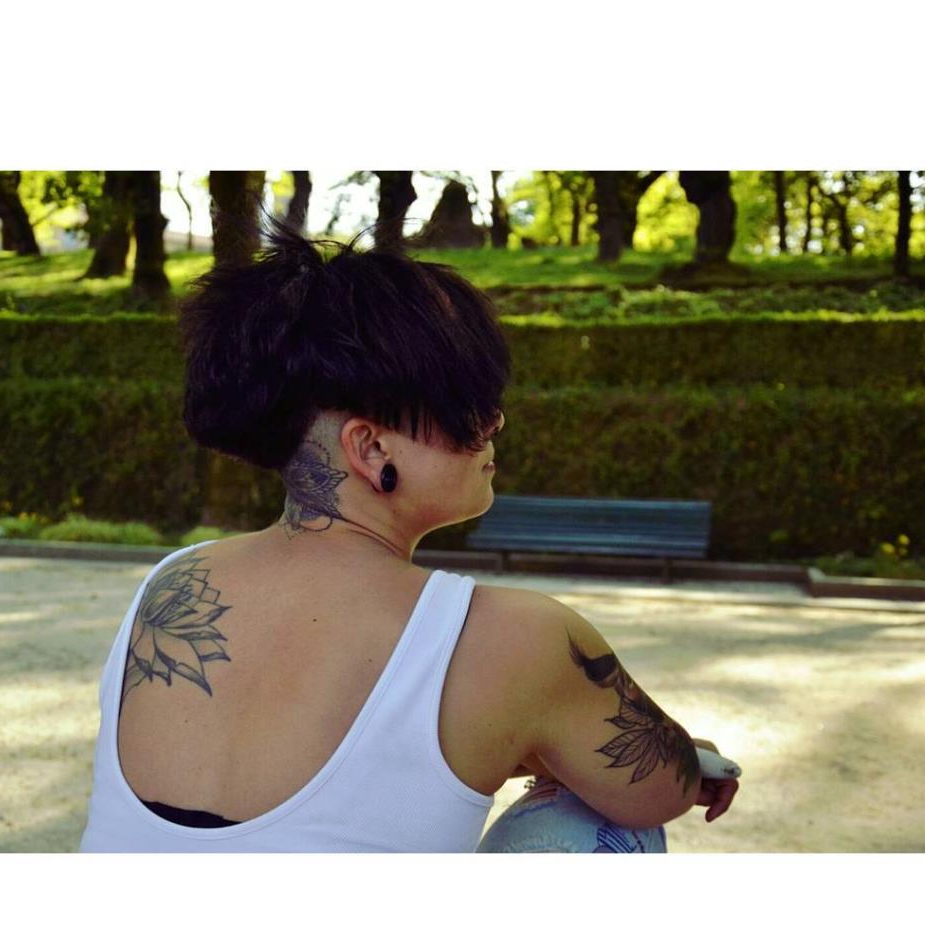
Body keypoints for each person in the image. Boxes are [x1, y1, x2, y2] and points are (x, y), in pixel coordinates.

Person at [79, 214, 739, 853]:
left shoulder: (175, 581)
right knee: (600, 820)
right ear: (371, 448)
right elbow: (658, 792)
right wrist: (684, 758)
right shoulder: (518, 637)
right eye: (467, 404)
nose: (496, 422)